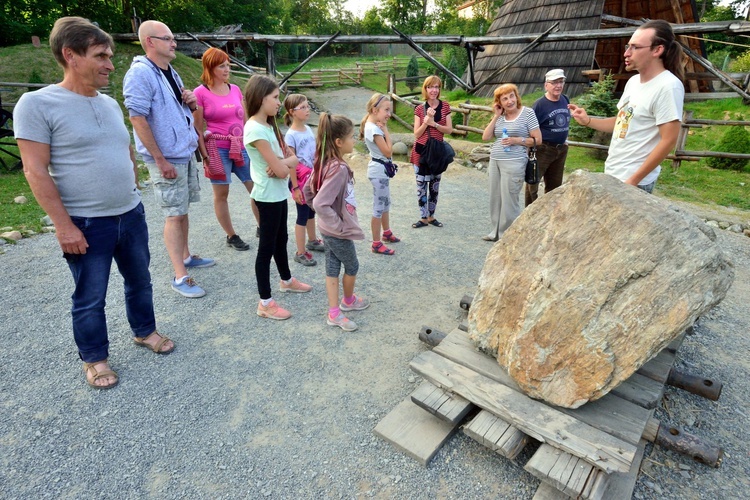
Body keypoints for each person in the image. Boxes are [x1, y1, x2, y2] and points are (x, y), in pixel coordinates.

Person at [14, 17, 175, 390]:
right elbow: (34, 170)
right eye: (101, 55)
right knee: (90, 296)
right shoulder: (37, 104)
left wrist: (132, 189)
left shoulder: (107, 103)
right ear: (69, 55)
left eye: (110, 55)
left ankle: (144, 331)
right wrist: (63, 226)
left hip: (129, 214)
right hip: (86, 222)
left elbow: (123, 152)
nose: (110, 64)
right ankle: (95, 359)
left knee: (140, 280)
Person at [123, 20, 214, 299]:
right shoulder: (140, 73)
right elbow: (137, 117)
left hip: (181, 152)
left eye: (173, 38)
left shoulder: (169, 71)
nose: (174, 43)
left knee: (182, 209)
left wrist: (189, 101)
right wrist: (159, 160)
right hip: (166, 158)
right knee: (173, 215)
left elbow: (179, 110)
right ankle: (179, 275)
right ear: (150, 41)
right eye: (168, 38)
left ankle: (186, 256)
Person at [568, 19, 685, 193]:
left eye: (635, 47)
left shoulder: (668, 86)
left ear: (657, 50)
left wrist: (633, 181)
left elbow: (669, 140)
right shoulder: (633, 82)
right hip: (614, 174)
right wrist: (588, 120)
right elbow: (622, 122)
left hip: (635, 183)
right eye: (627, 47)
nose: (627, 53)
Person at [243, 74, 312, 320]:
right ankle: (265, 302)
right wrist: (285, 163)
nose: (278, 102)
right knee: (266, 248)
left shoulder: (269, 125)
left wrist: (285, 162)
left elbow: (288, 159)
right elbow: (285, 167)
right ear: (260, 98)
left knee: (281, 239)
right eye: (274, 97)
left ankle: (286, 280)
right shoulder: (254, 129)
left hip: (277, 193)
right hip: (266, 196)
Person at [304, 114, 369, 331]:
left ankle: (334, 312)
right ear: (339, 142)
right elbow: (322, 202)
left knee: (332, 267)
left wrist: (325, 219)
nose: (354, 141)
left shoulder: (323, 162)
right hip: (336, 231)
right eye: (351, 137)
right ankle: (347, 302)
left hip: (327, 229)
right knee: (352, 265)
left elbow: (307, 191)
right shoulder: (339, 169)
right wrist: (337, 225)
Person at [193, 47, 259, 251]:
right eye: (222, 66)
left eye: (228, 65)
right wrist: (204, 156)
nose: (226, 69)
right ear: (210, 67)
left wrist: (253, 143)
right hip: (217, 149)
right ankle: (232, 235)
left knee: (257, 189)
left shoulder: (235, 89)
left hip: (241, 146)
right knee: (222, 194)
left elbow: (246, 119)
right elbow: (197, 128)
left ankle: (262, 226)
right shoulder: (200, 93)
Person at [481, 83, 541, 242]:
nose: (509, 101)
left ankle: (507, 236)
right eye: (504, 98)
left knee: (510, 199)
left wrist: (517, 140)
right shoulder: (500, 117)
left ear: (516, 96)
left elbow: (538, 140)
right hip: (495, 160)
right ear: (499, 102)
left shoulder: (527, 113)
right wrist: (495, 116)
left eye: (511, 96)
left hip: (515, 161)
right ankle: (495, 232)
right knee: (495, 197)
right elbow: (486, 137)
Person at [283, 93, 324, 266]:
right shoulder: (290, 135)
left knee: (311, 211)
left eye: (308, 106)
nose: (308, 110)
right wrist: (296, 188)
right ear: (292, 112)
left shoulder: (308, 129)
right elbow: (291, 164)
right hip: (299, 181)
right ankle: (300, 252)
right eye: (303, 107)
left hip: (311, 178)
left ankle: (312, 240)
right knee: (302, 215)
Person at [410, 76, 453, 228]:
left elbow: (449, 129)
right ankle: (422, 217)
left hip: (437, 152)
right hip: (421, 151)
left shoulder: (445, 106)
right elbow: (416, 134)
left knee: (434, 186)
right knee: (421, 186)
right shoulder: (419, 109)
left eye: (437, 87)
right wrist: (426, 119)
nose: (434, 90)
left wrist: (434, 124)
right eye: (430, 87)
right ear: (425, 89)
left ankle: (431, 216)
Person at [360, 93, 400, 255]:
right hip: (378, 172)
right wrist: (387, 131)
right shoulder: (374, 129)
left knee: (385, 203)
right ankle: (376, 243)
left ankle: (387, 232)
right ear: (375, 110)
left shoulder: (372, 126)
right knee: (379, 207)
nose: (389, 114)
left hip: (380, 172)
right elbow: (388, 152)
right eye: (386, 110)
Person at [526, 69, 571, 206]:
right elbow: (530, 128)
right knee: (532, 184)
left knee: (555, 187)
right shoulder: (540, 105)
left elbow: (565, 120)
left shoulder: (565, 99)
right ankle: (529, 214)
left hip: (561, 149)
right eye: (554, 83)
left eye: (561, 82)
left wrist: (565, 139)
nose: (558, 86)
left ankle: (549, 214)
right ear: (547, 85)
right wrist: (530, 150)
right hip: (543, 149)